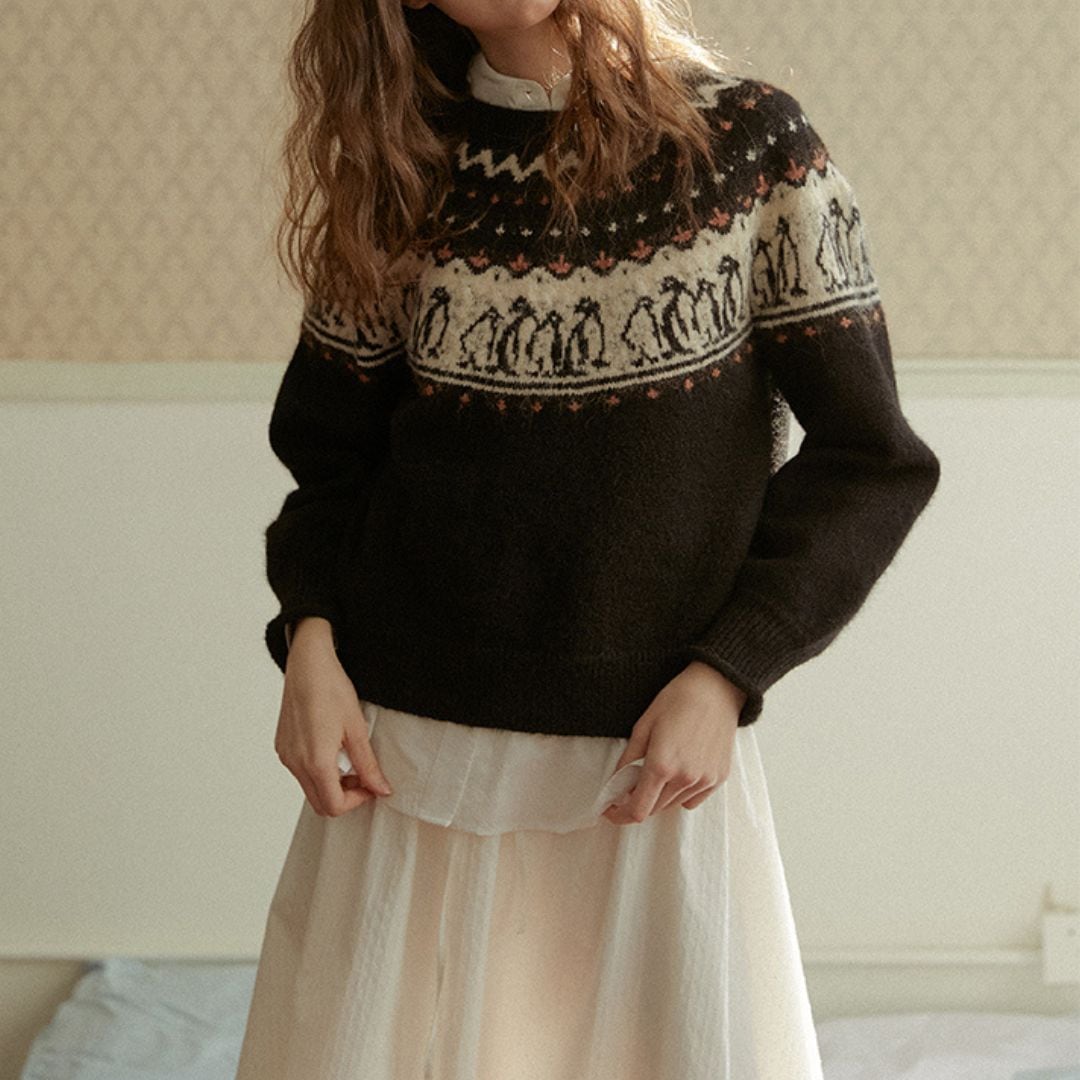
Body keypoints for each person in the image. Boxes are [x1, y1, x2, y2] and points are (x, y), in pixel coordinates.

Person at [235, 1, 941, 1078]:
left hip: (649, 767)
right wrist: (310, 639)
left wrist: (727, 674)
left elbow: (872, 459)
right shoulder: (404, 168)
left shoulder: (746, 148)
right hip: (405, 761)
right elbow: (331, 462)